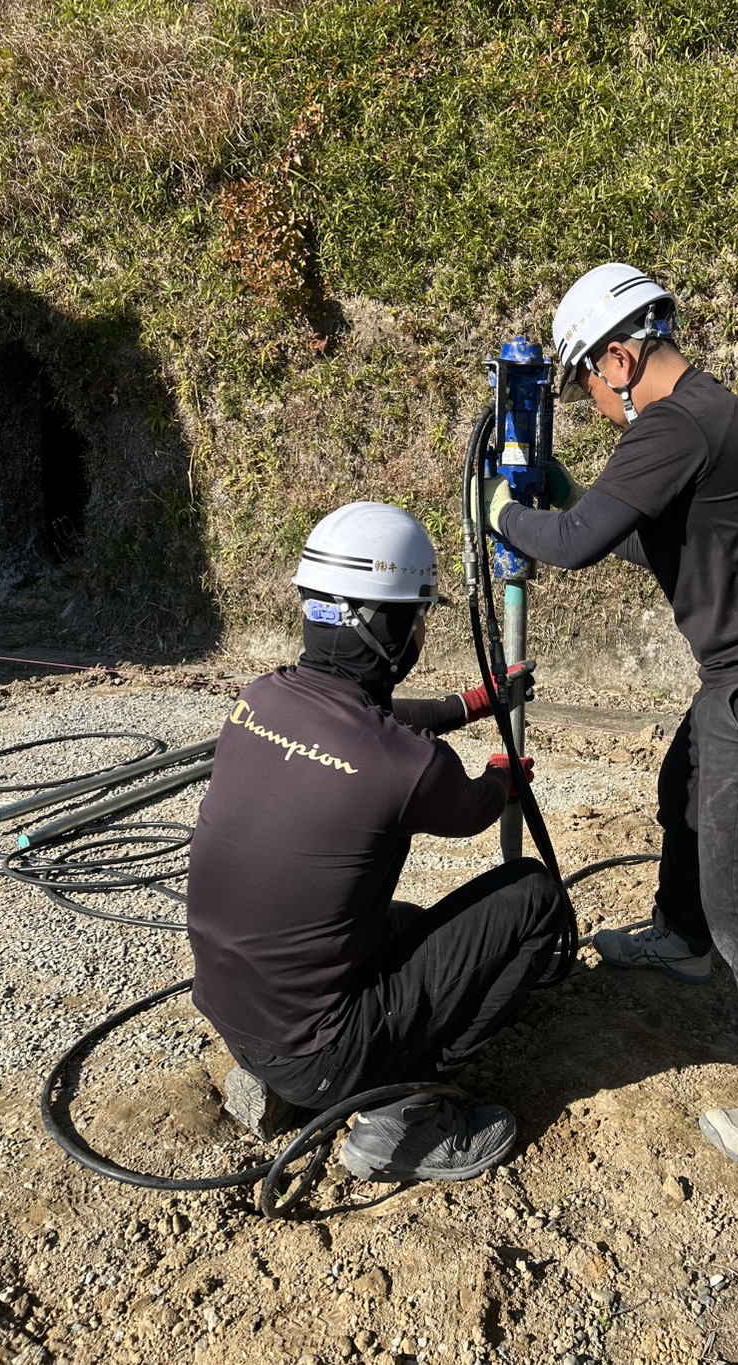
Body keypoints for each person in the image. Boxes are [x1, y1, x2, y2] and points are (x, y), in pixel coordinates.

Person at [482, 263, 738, 1167]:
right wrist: (569, 496)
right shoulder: (696, 419)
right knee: (682, 786)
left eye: (586, 385)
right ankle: (683, 941)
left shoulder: (674, 423)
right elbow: (641, 537)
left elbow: (576, 547)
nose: (593, 403)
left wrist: (503, 513)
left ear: (618, 360)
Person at [186, 501, 565, 1183]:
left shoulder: (259, 699)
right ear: (383, 626)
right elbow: (475, 805)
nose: (419, 631)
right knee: (533, 896)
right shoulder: (409, 766)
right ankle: (401, 1113)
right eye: (416, 617)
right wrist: (502, 777)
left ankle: (286, 1081)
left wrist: (471, 704)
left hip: (236, 1014)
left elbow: (363, 717)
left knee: (411, 926)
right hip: (323, 1053)